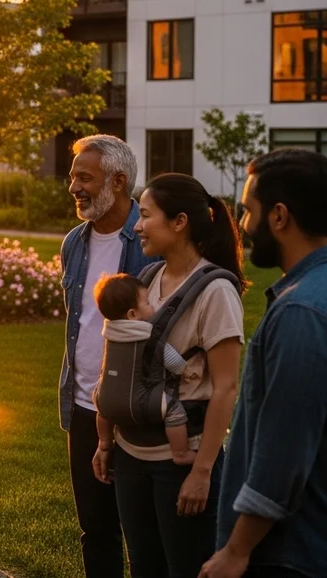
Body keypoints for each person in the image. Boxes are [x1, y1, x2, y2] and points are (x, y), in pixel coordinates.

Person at [201, 149, 327, 578]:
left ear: (279, 216)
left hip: (292, 554)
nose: (243, 225)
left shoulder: (304, 310)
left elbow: (282, 458)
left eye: (248, 211)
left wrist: (235, 550)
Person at [91, 173, 246, 577]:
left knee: (186, 569)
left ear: (179, 222)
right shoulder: (144, 282)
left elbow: (226, 388)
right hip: (130, 456)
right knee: (143, 566)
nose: (137, 225)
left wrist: (202, 471)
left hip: (180, 461)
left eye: (145, 215)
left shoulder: (216, 292)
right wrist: (106, 443)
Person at [59, 134, 156, 577]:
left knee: (145, 538)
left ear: (118, 182)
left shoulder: (148, 241)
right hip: (84, 408)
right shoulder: (74, 243)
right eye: (73, 175)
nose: (73, 187)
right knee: (95, 530)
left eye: (85, 177)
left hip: (138, 411)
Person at [92, 273, 195, 466]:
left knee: (103, 409)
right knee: (174, 409)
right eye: (147, 303)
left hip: (106, 397)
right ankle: (180, 452)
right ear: (132, 314)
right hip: (140, 403)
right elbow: (176, 364)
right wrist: (187, 371)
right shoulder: (148, 337)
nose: (152, 306)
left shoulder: (110, 335)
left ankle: (105, 442)